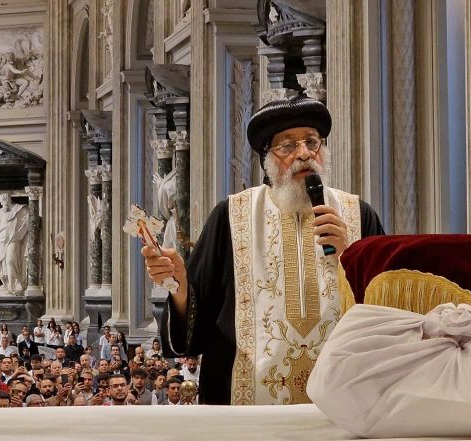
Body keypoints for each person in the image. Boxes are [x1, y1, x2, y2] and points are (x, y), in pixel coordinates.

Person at [143, 96, 385, 405]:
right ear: (266, 159)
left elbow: (385, 307)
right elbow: (196, 326)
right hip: (247, 412)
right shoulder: (231, 216)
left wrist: (352, 256)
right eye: (287, 146)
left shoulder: (358, 215)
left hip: (343, 404)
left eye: (312, 142)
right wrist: (179, 285)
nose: (304, 154)